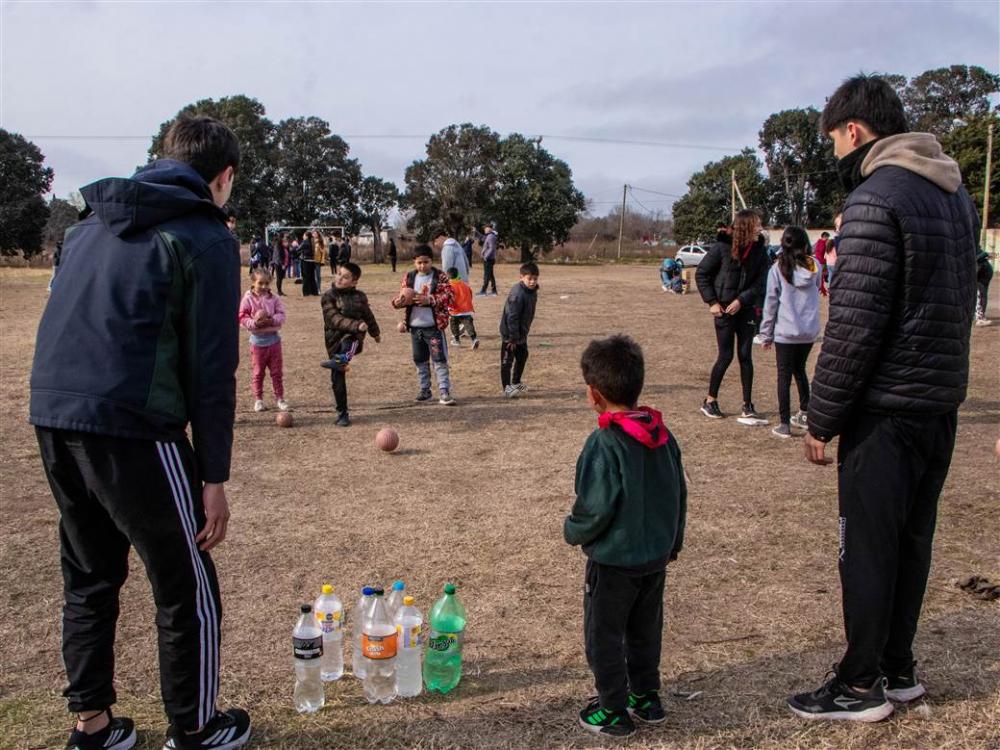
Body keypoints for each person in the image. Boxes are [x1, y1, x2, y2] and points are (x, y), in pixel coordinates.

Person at [29, 113, 251, 750]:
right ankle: (196, 727)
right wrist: (213, 477)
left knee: (90, 575)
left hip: (53, 414)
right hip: (133, 426)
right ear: (223, 177)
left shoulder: (86, 225)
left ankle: (92, 728)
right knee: (186, 583)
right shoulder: (205, 237)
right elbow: (212, 369)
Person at [789, 74, 979, 723]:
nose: (835, 156)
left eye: (833, 142)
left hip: (887, 412)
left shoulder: (877, 198)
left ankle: (860, 681)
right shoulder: (954, 194)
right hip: (939, 404)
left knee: (867, 545)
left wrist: (823, 414)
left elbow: (856, 323)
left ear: (853, 131)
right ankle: (899, 667)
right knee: (910, 541)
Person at [563, 335, 686, 738]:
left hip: (615, 561)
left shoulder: (605, 442)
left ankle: (614, 709)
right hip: (654, 558)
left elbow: (594, 506)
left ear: (593, 394)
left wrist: (573, 530)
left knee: (604, 635)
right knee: (645, 629)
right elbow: (678, 494)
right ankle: (647, 697)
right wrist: (674, 540)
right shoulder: (663, 434)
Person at [695, 210, 769, 422]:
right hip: (724, 311)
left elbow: (760, 283)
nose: (760, 228)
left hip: (745, 309)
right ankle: (710, 401)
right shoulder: (721, 248)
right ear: (745, 226)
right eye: (757, 224)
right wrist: (712, 302)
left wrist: (742, 300)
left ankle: (747, 404)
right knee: (725, 356)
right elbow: (702, 274)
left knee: (745, 355)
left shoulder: (760, 251)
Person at [757, 226, 821, 438]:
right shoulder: (815, 266)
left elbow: (771, 303)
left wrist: (766, 334)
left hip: (786, 331)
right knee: (800, 369)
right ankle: (805, 412)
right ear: (805, 244)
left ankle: (784, 423)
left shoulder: (777, 268)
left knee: (783, 376)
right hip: (808, 332)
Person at [390, 244, 457, 405]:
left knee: (439, 359)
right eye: (419, 262)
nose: (422, 265)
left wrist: (430, 300)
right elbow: (402, 297)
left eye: (426, 262)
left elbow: (450, 295)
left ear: (431, 261)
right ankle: (425, 389)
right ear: (414, 262)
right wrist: (397, 303)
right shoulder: (409, 278)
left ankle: (444, 390)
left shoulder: (440, 276)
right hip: (415, 329)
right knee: (420, 360)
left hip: (433, 329)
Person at [320, 261, 381, 427]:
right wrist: (356, 324)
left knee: (351, 340)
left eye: (345, 277)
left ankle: (343, 358)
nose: (339, 278)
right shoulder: (328, 296)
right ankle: (342, 413)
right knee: (337, 378)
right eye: (339, 273)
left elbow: (368, 316)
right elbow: (333, 319)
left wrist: (375, 333)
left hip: (353, 338)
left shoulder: (360, 297)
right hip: (333, 341)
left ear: (354, 282)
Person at [238, 268, 289, 413]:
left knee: (276, 372)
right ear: (253, 283)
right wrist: (254, 324)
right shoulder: (247, 298)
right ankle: (258, 400)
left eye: (267, 283)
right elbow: (242, 316)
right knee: (258, 373)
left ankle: (280, 398)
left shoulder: (274, 298)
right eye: (260, 283)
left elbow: (282, 315)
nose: (264, 287)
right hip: (257, 343)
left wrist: (272, 320)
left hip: (274, 341)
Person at [499, 262, 539, 398]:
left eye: (535, 278)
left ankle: (516, 382)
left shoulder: (532, 292)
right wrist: (512, 338)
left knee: (522, 357)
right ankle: (507, 388)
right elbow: (512, 317)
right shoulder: (517, 294)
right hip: (510, 335)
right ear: (521, 277)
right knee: (507, 361)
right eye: (530, 278)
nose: (533, 282)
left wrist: (521, 334)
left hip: (521, 333)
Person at [446, 266, 479, 348]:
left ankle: (456, 340)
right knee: (469, 325)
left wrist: (448, 307)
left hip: (455, 311)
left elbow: (449, 298)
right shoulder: (464, 284)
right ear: (458, 275)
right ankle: (474, 339)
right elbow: (470, 294)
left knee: (454, 325)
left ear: (448, 276)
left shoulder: (450, 286)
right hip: (467, 309)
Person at [477, 222, 499, 296]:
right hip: (489, 258)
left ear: (490, 229)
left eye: (486, 228)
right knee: (490, 275)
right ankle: (494, 291)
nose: (484, 229)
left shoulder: (491, 236)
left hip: (488, 259)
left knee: (487, 275)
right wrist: (476, 232)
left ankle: (483, 291)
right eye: (484, 228)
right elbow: (483, 238)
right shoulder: (489, 236)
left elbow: (492, 248)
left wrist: (486, 256)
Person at [975, 249, 993, 326]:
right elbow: (976, 258)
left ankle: (980, 317)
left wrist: (985, 255)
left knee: (981, 296)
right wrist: (985, 254)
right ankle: (979, 317)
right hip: (981, 276)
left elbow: (977, 258)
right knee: (981, 296)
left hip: (983, 276)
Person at [299, 231, 316, 295]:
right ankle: (314, 292)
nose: (303, 236)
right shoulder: (313, 241)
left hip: (305, 261)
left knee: (305, 277)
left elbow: (298, 249)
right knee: (312, 277)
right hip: (312, 261)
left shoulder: (305, 242)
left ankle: (306, 292)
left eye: (304, 235)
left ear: (306, 236)